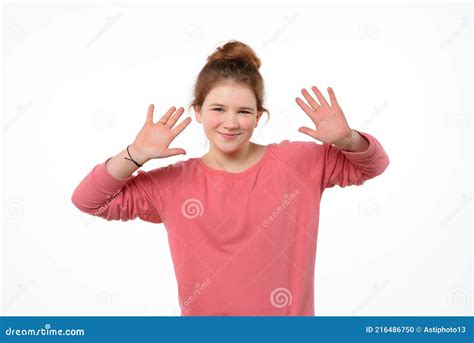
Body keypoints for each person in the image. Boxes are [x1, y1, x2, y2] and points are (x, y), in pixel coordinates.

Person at [71, 40, 390, 316]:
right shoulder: (172, 183)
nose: (231, 123)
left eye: (244, 112)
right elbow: (88, 201)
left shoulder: (299, 162)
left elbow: (371, 166)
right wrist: (135, 153)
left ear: (259, 116)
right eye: (218, 109)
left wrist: (348, 139)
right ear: (197, 111)